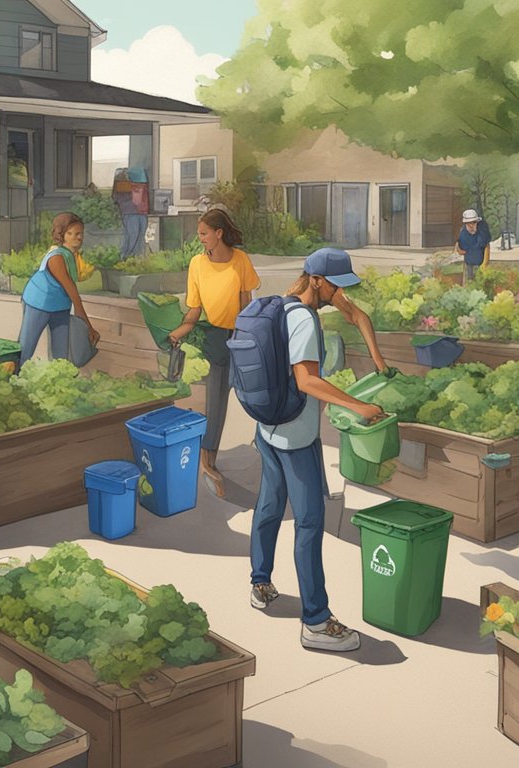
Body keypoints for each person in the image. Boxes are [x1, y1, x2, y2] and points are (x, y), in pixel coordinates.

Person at [248, 248, 384, 652]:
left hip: (267, 428)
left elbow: (354, 312)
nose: (340, 294)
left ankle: (260, 583)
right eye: (335, 286)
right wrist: (359, 406)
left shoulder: (280, 307)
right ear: (317, 282)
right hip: (295, 437)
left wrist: (375, 354)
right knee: (309, 523)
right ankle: (316, 621)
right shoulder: (305, 322)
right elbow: (306, 381)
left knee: (269, 506)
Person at [168, 208, 262, 498]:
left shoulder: (240, 261)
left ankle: (265, 445)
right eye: (199, 235)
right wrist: (179, 331)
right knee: (216, 401)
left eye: (204, 233)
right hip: (215, 338)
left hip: (240, 336)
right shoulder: (197, 264)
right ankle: (208, 459)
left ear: (219, 233)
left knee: (255, 391)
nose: (201, 239)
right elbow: (194, 309)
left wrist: (250, 335)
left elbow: (247, 303)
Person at [17, 212, 100, 367]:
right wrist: (87, 325)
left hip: (60, 305)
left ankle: (60, 382)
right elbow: (70, 288)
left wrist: (87, 325)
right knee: (25, 348)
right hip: (39, 303)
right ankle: (13, 379)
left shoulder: (72, 256)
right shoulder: (56, 257)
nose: (77, 238)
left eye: (79, 233)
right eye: (70, 233)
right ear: (62, 235)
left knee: (61, 355)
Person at [454, 209, 491, 284]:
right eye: (468, 223)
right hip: (468, 264)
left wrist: (485, 263)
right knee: (469, 282)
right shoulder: (463, 234)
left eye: (473, 223)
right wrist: (458, 248)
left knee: (482, 283)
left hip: (481, 263)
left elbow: (487, 246)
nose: (471, 225)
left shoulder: (482, 233)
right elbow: (459, 248)